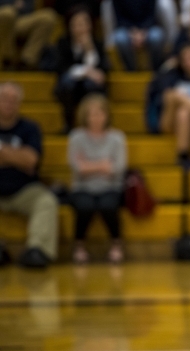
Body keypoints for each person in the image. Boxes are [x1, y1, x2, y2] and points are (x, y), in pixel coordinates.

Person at [0, 82, 58, 268]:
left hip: (24, 190)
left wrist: (3, 153)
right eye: (4, 99)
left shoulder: (30, 128)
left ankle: (37, 250)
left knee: (46, 201)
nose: (9, 103)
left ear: (19, 104)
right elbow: (24, 158)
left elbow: (31, 160)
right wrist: (18, 156)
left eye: (13, 100)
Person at [67, 94, 127, 264]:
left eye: (100, 113)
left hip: (110, 187)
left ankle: (116, 243)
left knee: (108, 205)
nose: (96, 118)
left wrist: (88, 165)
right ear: (84, 116)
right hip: (83, 187)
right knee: (85, 206)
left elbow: (118, 168)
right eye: (91, 114)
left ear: (107, 115)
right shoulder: (76, 137)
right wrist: (103, 165)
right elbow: (77, 168)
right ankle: (79, 244)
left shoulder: (117, 138)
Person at [54, 6, 109, 132]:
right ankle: (69, 123)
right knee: (67, 82)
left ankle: (92, 123)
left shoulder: (97, 44)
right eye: (76, 24)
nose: (80, 28)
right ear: (70, 27)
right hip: (69, 84)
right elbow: (63, 68)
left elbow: (102, 70)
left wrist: (89, 49)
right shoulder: (63, 43)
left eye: (84, 24)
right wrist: (87, 72)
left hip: (88, 85)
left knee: (92, 84)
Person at [0, 0, 57, 70]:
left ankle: (27, 61)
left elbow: (29, 8)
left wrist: (18, 6)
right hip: (3, 19)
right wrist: (12, 4)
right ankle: (7, 60)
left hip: (21, 20)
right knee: (7, 13)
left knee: (48, 17)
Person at [112, 0, 165, 71]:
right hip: (127, 28)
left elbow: (152, 15)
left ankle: (156, 68)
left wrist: (143, 32)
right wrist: (133, 32)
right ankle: (131, 69)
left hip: (147, 27)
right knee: (120, 38)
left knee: (157, 36)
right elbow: (119, 18)